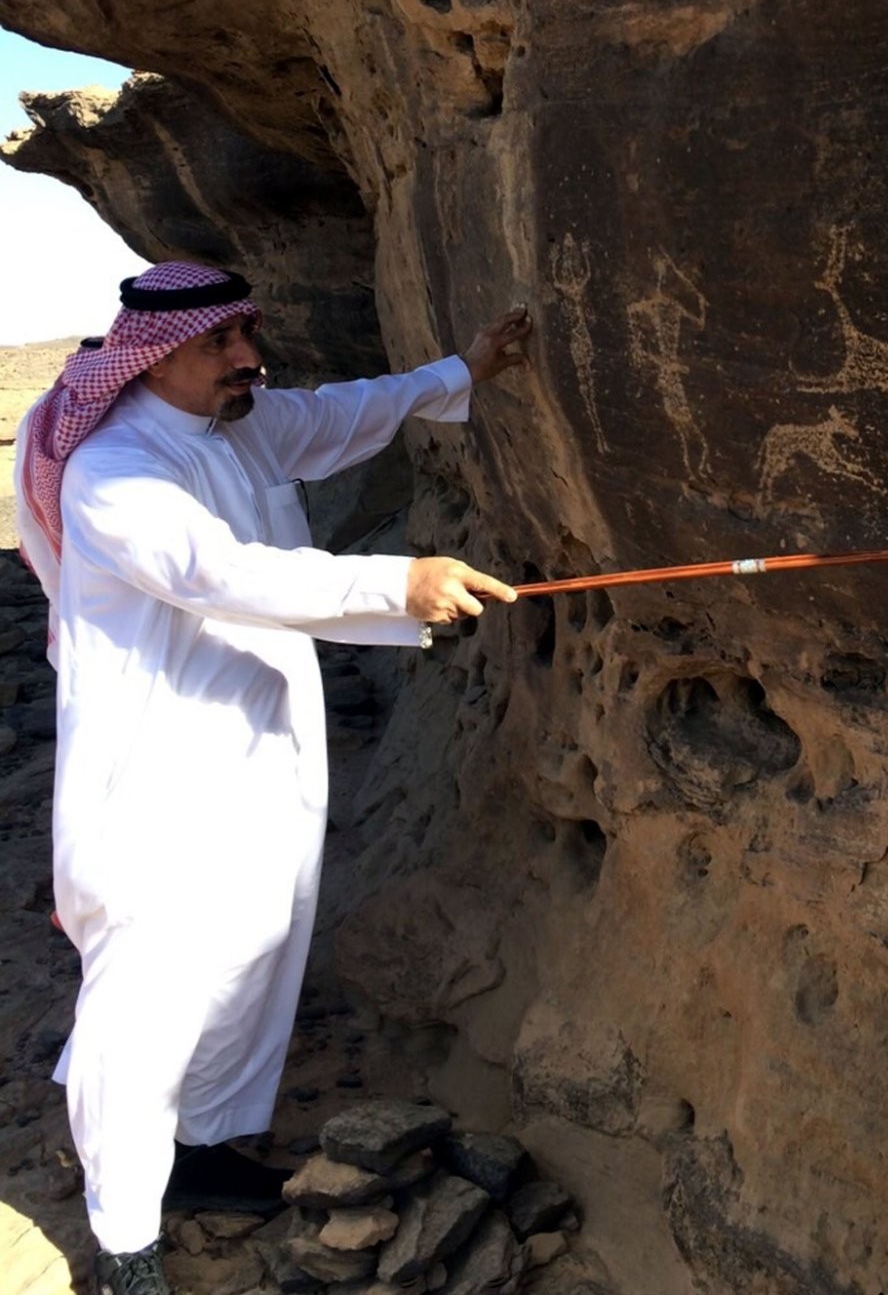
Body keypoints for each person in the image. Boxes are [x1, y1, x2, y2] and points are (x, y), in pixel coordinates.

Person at [13, 261, 530, 1295]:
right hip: (154, 776)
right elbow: (220, 572)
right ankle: (124, 1241)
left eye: (248, 336)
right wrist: (402, 581)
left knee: (251, 955)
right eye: (222, 344)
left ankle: (199, 1151)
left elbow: (346, 412)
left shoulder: (237, 425)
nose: (249, 359)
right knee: (148, 997)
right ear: (155, 358)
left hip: (255, 749)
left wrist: (461, 369)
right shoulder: (114, 473)